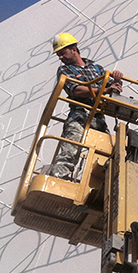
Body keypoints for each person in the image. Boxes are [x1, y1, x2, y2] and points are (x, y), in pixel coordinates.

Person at [49, 32, 124, 180]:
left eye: (62, 53)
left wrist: (117, 81)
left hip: (98, 116)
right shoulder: (65, 70)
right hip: (79, 115)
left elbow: (111, 87)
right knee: (70, 150)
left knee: (107, 153)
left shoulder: (96, 68)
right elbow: (76, 90)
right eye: (58, 55)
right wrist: (105, 89)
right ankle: (56, 180)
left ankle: (102, 187)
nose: (60, 57)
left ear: (74, 49)